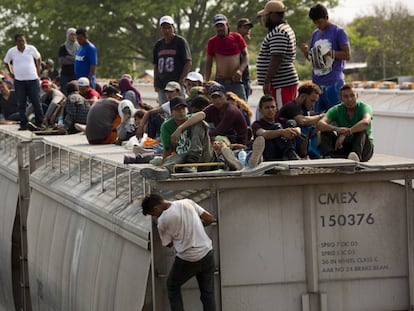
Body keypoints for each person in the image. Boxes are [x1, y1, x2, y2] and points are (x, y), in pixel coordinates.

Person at [141, 193, 216, 311]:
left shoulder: (162, 221)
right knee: (207, 292)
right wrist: (198, 227)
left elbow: (168, 244)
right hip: (207, 254)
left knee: (172, 286)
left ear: (156, 208)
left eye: (152, 214)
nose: (154, 217)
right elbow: (210, 219)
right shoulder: (188, 202)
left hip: (187, 259)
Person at [140, 96, 213, 180]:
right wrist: (163, 163)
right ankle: (163, 170)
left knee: (200, 123)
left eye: (183, 109)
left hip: (203, 156)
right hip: (184, 159)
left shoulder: (193, 119)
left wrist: (180, 128)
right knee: (175, 158)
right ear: (171, 112)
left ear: (187, 110)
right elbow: (167, 150)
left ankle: (192, 162)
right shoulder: (167, 126)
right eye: (177, 109)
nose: (181, 112)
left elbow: (202, 114)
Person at [300, 3, 351, 113]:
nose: (318, 25)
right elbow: (313, 59)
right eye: (315, 23)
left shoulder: (338, 32)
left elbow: (347, 55)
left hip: (333, 81)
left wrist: (329, 53)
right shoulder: (315, 34)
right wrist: (306, 52)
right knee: (316, 117)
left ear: (326, 18)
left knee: (337, 115)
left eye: (319, 22)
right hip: (317, 84)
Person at [256, 1, 299, 110]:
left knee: (281, 115)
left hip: (281, 83)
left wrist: (267, 82)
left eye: (265, 16)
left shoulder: (279, 32)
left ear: (273, 15)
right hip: (281, 83)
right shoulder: (281, 29)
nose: (264, 19)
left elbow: (277, 58)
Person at [317, 84, 373, 162]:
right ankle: (329, 156)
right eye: (346, 97)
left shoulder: (364, 107)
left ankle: (356, 155)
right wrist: (337, 129)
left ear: (357, 96)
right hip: (344, 145)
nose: (349, 99)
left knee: (361, 130)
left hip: (363, 148)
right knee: (325, 132)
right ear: (341, 98)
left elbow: (365, 122)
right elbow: (320, 124)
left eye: (352, 96)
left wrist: (347, 132)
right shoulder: (336, 109)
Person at [3, 33, 44, 130]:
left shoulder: (31, 49)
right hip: (19, 81)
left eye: (23, 41)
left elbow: (38, 58)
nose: (22, 43)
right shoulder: (12, 51)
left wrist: (38, 71)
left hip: (33, 79)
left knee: (36, 102)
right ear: (16, 42)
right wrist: (11, 72)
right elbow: (6, 61)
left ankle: (39, 122)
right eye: (19, 41)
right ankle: (23, 123)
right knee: (21, 103)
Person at [206, 14, 248, 101]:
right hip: (220, 82)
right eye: (217, 26)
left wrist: (240, 70)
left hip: (236, 81)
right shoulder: (212, 42)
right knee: (219, 109)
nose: (220, 28)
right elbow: (209, 63)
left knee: (243, 109)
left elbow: (246, 56)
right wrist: (207, 81)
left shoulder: (237, 37)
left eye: (222, 25)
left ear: (227, 25)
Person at [278, 82, 324, 158]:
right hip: (286, 141)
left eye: (315, 102)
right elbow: (302, 121)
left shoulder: (304, 109)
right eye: (312, 101)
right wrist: (321, 116)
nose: (313, 105)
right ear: (302, 96)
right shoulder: (291, 106)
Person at [153, 15, 192, 104]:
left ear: (173, 28)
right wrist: (155, 81)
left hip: (176, 84)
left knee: (179, 107)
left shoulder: (180, 42)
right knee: (165, 110)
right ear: (161, 30)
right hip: (162, 85)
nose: (167, 30)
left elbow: (188, 62)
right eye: (164, 28)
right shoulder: (158, 44)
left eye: (169, 27)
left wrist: (181, 81)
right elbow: (156, 65)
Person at [252, 95, 301, 161]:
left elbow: (298, 129)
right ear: (260, 110)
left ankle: (291, 153)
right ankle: (290, 153)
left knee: (291, 123)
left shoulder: (282, 120)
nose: (270, 110)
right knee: (277, 127)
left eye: (273, 107)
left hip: (283, 154)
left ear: (276, 109)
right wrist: (281, 132)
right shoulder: (257, 124)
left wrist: (293, 130)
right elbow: (263, 134)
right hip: (269, 154)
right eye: (267, 108)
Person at [58, 28, 79, 94]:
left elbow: (81, 59)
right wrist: (75, 59)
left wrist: (68, 58)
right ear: (68, 35)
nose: (73, 36)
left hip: (76, 74)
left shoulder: (79, 47)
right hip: (65, 74)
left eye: (75, 35)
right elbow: (62, 61)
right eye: (71, 35)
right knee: (64, 92)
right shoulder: (63, 47)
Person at [236, 18, 254, 100]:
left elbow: (246, 63)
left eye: (249, 28)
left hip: (245, 80)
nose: (248, 30)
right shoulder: (234, 41)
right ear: (239, 29)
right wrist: (243, 42)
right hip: (237, 81)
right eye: (245, 28)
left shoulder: (245, 45)